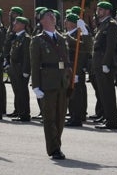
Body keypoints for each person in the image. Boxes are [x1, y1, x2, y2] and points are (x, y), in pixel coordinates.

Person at [29, 10, 70, 161]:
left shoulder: (62, 38)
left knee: (60, 117)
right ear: (41, 21)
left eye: (52, 14)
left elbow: (82, 47)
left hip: (62, 82)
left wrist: (84, 32)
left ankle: (56, 143)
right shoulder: (38, 40)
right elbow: (35, 64)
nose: (52, 16)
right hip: (47, 83)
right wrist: (36, 85)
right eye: (47, 15)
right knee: (49, 117)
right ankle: (54, 148)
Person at [91, 1, 117, 130]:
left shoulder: (111, 24)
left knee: (108, 93)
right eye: (98, 9)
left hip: (104, 62)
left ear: (108, 11)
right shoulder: (102, 24)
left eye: (101, 9)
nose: (98, 11)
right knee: (103, 93)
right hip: (98, 61)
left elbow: (110, 46)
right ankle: (107, 117)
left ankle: (111, 121)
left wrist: (106, 63)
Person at [7, 16, 32, 122]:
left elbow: (27, 56)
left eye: (16, 23)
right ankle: (19, 111)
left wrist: (26, 70)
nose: (14, 24)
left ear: (22, 25)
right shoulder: (17, 37)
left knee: (22, 91)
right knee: (17, 91)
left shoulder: (26, 38)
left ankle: (24, 114)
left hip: (21, 67)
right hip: (14, 67)